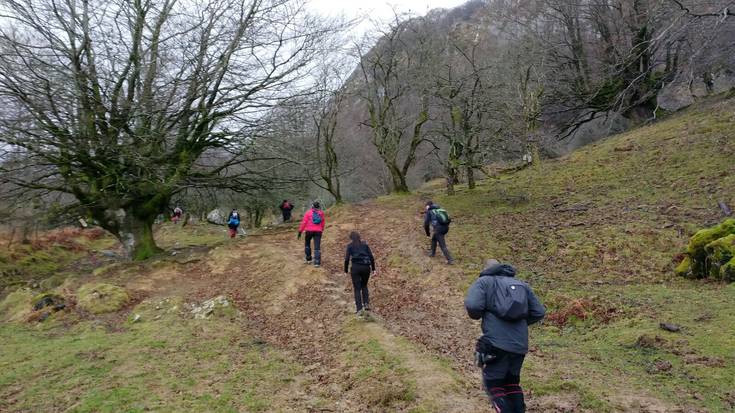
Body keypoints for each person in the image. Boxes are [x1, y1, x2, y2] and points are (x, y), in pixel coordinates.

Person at [464, 259, 546, 413]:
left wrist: (480, 315)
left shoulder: (484, 282)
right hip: (519, 344)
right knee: (512, 384)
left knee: (494, 385)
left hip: (495, 344)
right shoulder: (521, 284)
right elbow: (539, 312)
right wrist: (520, 324)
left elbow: (473, 305)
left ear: (486, 269)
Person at [344, 231, 376, 317]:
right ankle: (366, 304)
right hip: (366, 267)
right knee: (364, 285)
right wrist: (373, 269)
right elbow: (371, 257)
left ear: (351, 238)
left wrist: (345, 270)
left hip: (355, 268)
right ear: (359, 237)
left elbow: (347, 259)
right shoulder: (365, 245)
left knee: (357, 288)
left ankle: (359, 309)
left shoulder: (350, 246)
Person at [423, 200, 454, 265]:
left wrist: (427, 233)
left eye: (426, 206)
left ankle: (450, 259)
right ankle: (432, 253)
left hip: (438, 229)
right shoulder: (440, 209)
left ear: (428, 206)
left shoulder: (430, 211)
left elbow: (426, 224)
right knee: (434, 239)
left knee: (442, 245)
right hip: (446, 228)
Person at [298, 201, 325, 267]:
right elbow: (323, 223)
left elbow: (304, 222)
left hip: (309, 231)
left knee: (307, 244)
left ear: (312, 206)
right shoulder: (321, 213)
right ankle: (317, 262)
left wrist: (300, 231)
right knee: (317, 247)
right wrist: (321, 230)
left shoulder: (308, 213)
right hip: (318, 231)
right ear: (318, 206)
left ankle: (308, 259)